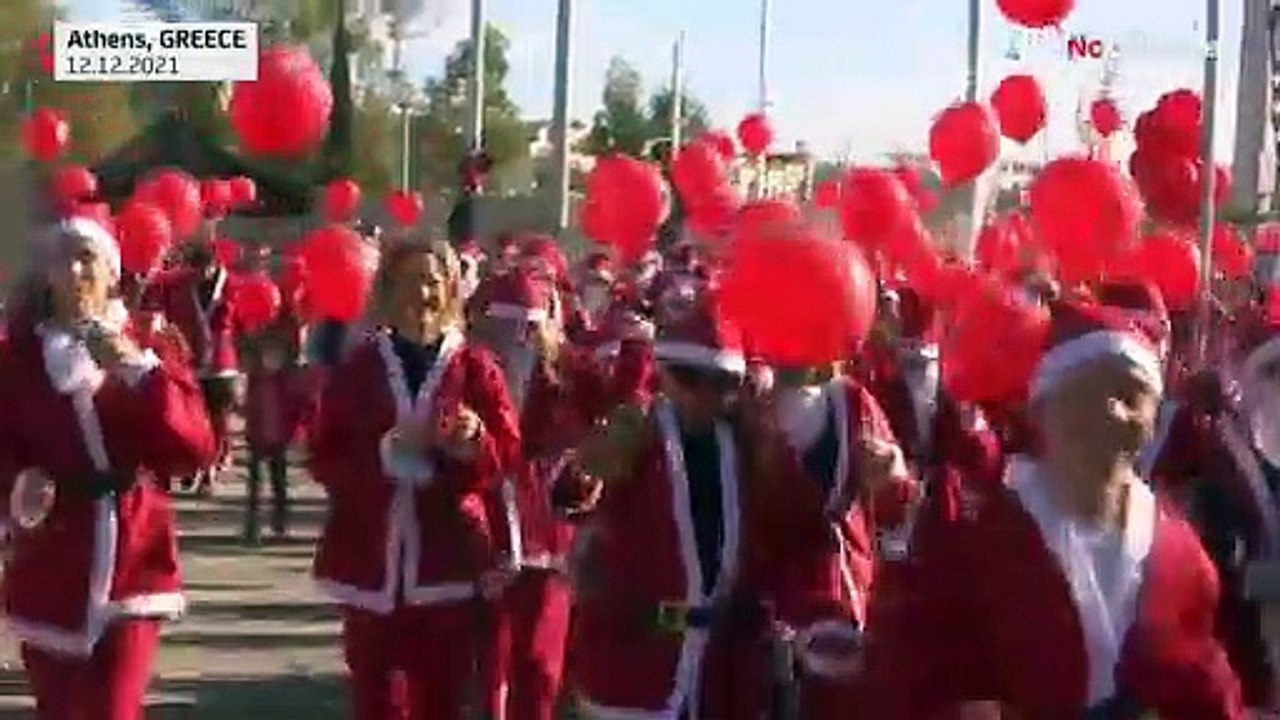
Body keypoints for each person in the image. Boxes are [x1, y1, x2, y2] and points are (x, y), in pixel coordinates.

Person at [857, 293, 1245, 719]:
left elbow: (1204, 685)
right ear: (1040, 410)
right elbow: (907, 661)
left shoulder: (1179, 554)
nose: (1113, 414)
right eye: (1086, 396)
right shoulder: (978, 524)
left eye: (1132, 396)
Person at [569, 293, 864, 719]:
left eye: (720, 382)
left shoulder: (756, 449)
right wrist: (587, 469)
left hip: (723, 676)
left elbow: (800, 541)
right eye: (688, 377)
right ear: (665, 374)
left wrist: (819, 619)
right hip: (634, 670)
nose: (703, 395)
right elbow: (569, 495)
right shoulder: (636, 436)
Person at [0, 217, 217, 720]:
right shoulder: (20, 358)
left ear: (112, 273)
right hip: (50, 561)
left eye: (88, 259)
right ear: (47, 273)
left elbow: (196, 447)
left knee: (113, 709)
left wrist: (138, 370)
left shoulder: (149, 340)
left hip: (135, 553)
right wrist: (17, 485)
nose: (75, 271)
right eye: (63, 259)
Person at [309, 239, 522, 720]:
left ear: (449, 290)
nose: (420, 293)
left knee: (441, 701)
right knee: (376, 701)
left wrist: (472, 444)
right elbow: (324, 454)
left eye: (431, 281)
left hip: (448, 559)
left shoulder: (475, 367)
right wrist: (385, 453)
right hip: (370, 558)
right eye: (408, 281)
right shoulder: (359, 366)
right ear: (387, 289)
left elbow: (507, 455)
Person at [149, 240, 240, 494]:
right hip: (191, 359)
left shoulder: (230, 285)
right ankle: (196, 467)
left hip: (223, 363)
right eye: (196, 268)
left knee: (217, 420)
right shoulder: (180, 286)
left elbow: (243, 319)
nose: (201, 274)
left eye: (205, 268)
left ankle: (209, 473)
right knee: (197, 420)